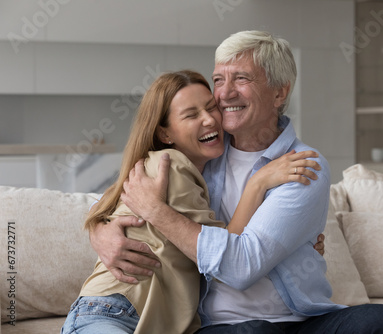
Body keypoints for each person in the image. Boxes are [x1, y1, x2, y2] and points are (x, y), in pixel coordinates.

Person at [92, 31, 383, 333]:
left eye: (241, 79)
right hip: (221, 325)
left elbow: (240, 267)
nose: (225, 93)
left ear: (280, 92)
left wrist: (157, 211)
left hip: (299, 320)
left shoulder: (302, 165)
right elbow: (117, 201)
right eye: (219, 80)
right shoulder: (202, 152)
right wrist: (100, 232)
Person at [61, 70, 321, 334]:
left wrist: (299, 246)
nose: (209, 120)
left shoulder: (187, 169)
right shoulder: (170, 167)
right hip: (113, 312)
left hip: (143, 317)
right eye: (191, 115)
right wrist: (258, 182)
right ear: (165, 134)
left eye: (211, 108)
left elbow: (106, 204)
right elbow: (224, 259)